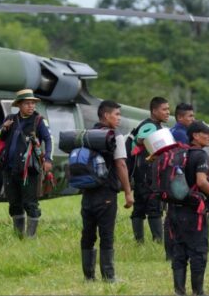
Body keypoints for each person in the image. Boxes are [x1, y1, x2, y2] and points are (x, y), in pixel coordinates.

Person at [166, 121, 209, 296]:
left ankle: (179, 291)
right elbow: (201, 181)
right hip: (193, 214)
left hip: (174, 211)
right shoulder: (200, 156)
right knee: (198, 252)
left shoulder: (179, 154)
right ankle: (198, 292)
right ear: (195, 136)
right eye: (205, 133)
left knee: (179, 251)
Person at [80, 100, 134, 282]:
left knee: (88, 233)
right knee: (106, 234)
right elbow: (120, 164)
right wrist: (128, 192)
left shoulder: (88, 134)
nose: (119, 118)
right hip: (106, 193)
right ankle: (109, 276)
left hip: (88, 192)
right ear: (106, 115)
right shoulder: (115, 137)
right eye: (116, 114)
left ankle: (88, 277)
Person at [0, 89, 52, 238]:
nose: (31, 106)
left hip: (30, 170)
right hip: (9, 169)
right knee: (14, 204)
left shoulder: (38, 121)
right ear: (19, 105)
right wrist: (4, 128)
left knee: (30, 204)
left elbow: (48, 139)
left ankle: (30, 238)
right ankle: (18, 236)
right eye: (27, 103)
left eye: (33, 103)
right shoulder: (10, 118)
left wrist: (48, 159)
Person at [127, 96, 170, 243]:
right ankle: (158, 241)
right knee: (153, 207)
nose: (167, 112)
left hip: (142, 173)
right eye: (164, 109)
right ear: (154, 110)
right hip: (148, 174)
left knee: (140, 208)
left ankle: (139, 242)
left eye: (168, 109)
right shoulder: (150, 126)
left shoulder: (154, 125)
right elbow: (139, 139)